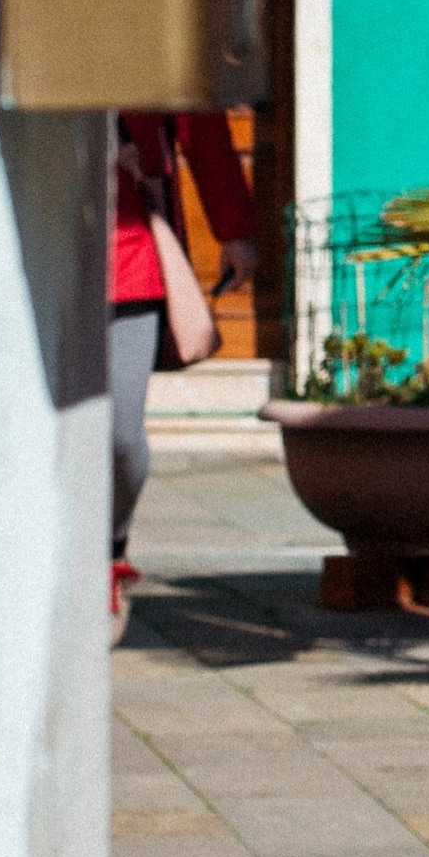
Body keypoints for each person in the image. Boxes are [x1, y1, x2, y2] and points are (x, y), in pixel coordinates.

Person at [110, 110, 255, 608]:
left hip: (131, 255)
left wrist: (234, 230)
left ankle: (110, 550)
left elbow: (201, 121)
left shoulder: (151, 32)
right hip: (38, 252)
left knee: (120, 435)